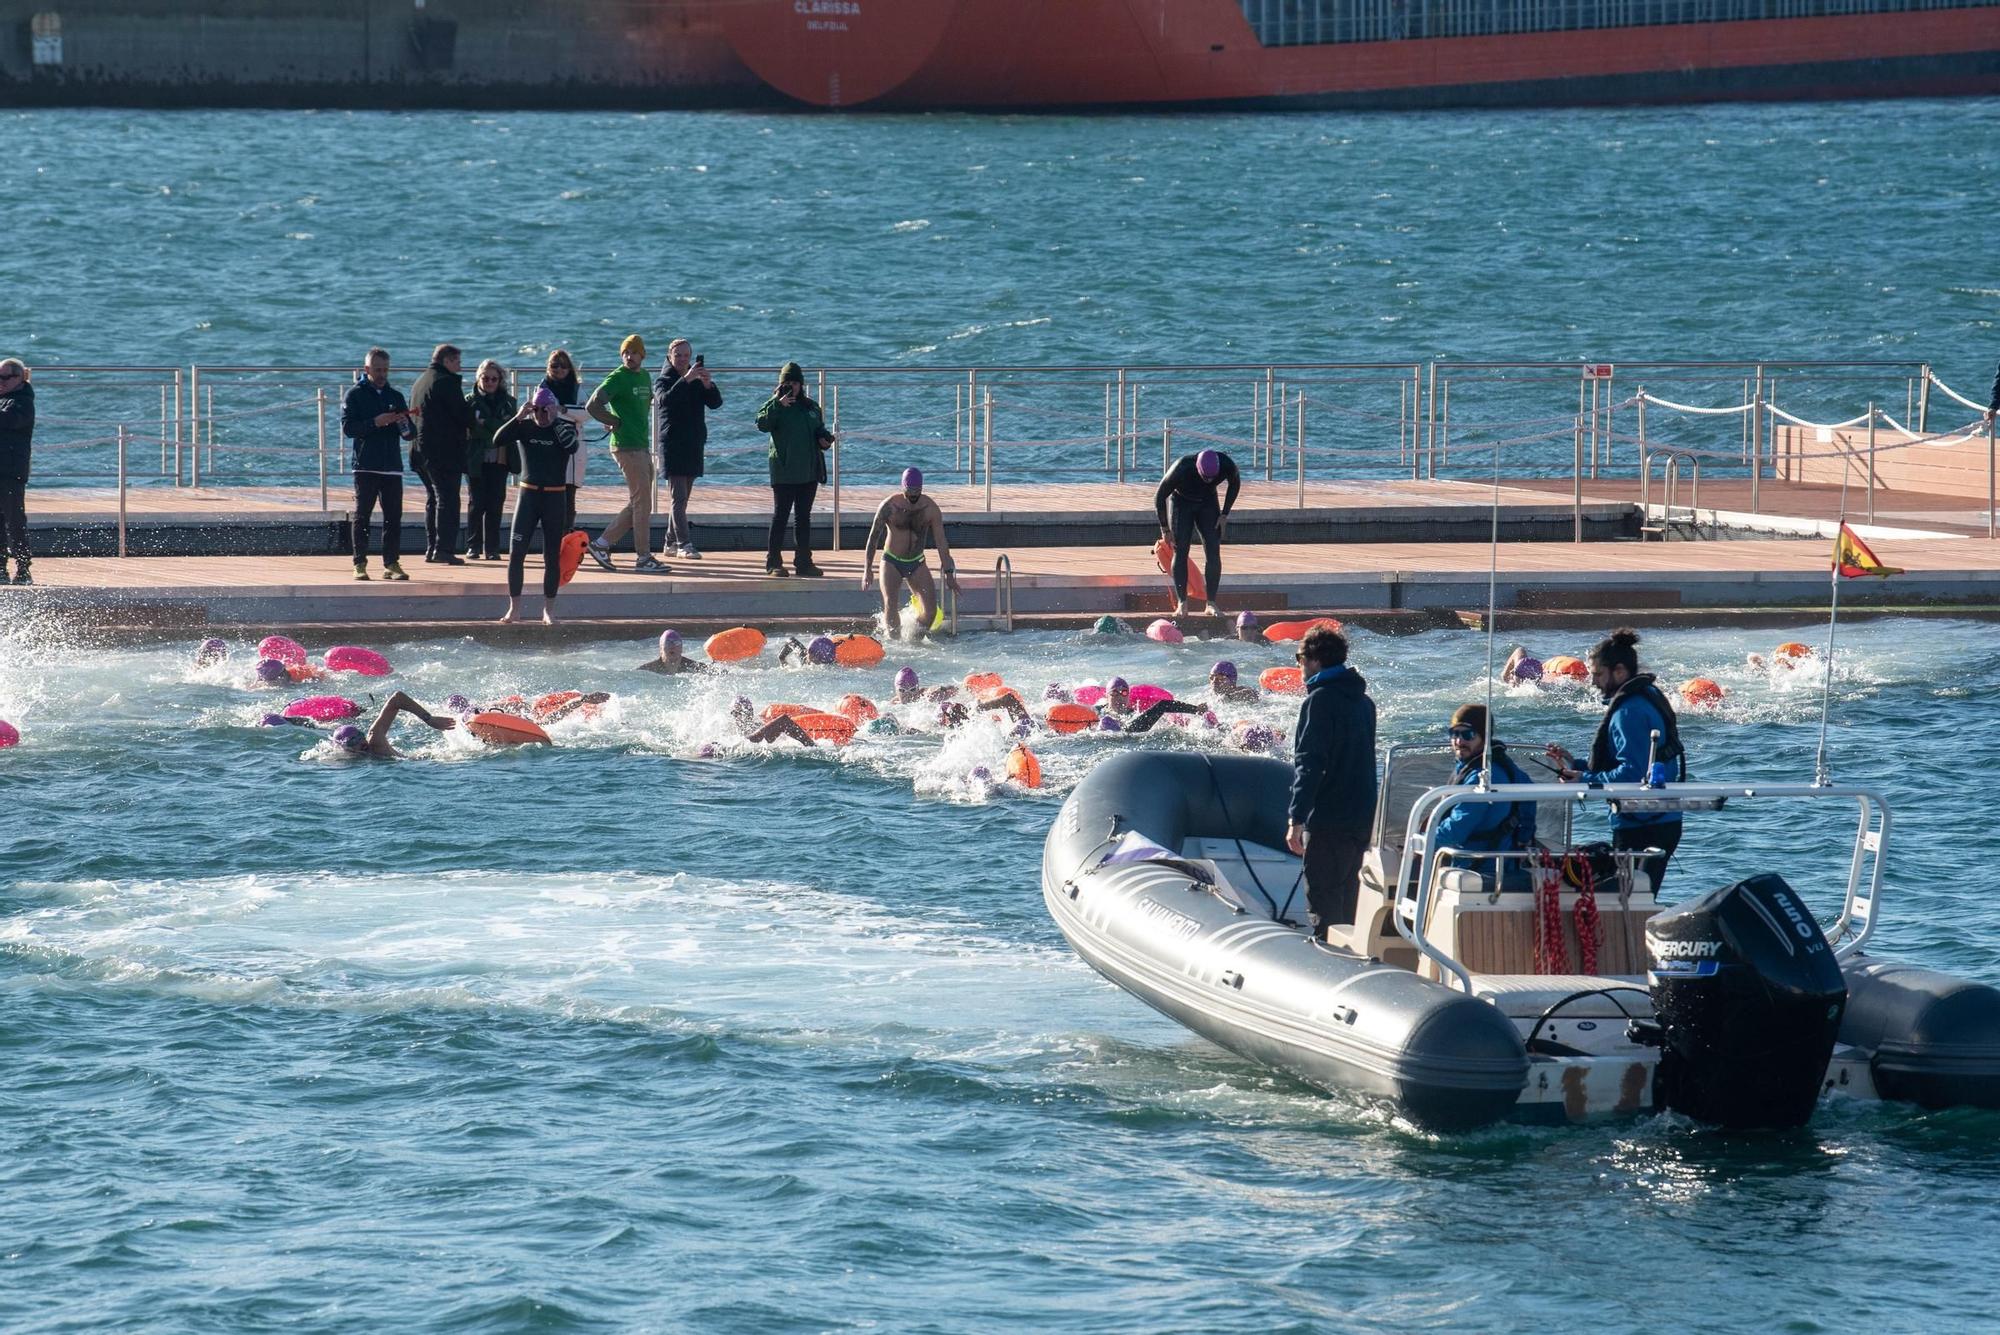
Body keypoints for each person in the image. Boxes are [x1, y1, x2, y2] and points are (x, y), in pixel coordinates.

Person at [1546, 627, 1686, 893]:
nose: (1593, 682)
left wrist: (1585, 778)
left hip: (1643, 825)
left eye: (1598, 674)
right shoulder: (1649, 694)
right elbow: (1636, 761)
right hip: (1663, 819)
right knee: (1638, 899)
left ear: (1619, 672)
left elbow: (1633, 774)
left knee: (1628, 902)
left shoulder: (1629, 712)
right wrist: (1575, 764)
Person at [1285, 626, 1378, 937]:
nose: (1298, 666)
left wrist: (1297, 818)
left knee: (1323, 897)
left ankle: (1330, 959)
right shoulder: (1365, 703)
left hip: (1329, 818)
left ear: (1314, 660)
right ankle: (1354, 956)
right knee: (1350, 896)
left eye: (1299, 658)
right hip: (1363, 817)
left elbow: (1310, 763)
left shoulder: (1319, 702)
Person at [492, 387, 580, 625]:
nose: (540, 415)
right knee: (516, 554)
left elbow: (573, 448)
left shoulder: (564, 428)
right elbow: (497, 439)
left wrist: (557, 420)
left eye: (545, 410)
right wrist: (519, 416)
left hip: (554, 497)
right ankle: (514, 609)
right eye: (537, 410)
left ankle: (548, 610)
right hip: (528, 496)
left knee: (551, 556)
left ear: (552, 408)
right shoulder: (525, 427)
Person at [1429, 704, 1538, 887]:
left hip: (1476, 866)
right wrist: (1522, 839)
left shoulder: (1482, 777)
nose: (1459, 741)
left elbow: (1457, 828)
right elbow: (1529, 801)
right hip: (1506, 864)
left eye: (1467, 735)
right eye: (1454, 733)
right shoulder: (1506, 767)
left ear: (1484, 737)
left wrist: (1425, 840)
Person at [585, 335, 668, 573]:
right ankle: (643, 558)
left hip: (641, 444)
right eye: (625, 353)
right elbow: (593, 405)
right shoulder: (617, 377)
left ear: (643, 355)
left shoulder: (644, 376)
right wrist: (612, 421)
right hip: (625, 446)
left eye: (634, 352)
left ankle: (601, 544)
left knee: (639, 502)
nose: (630, 357)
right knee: (642, 503)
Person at [340, 347, 413, 582]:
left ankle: (391, 562)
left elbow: (410, 434)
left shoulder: (396, 396)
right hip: (365, 464)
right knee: (363, 516)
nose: (382, 374)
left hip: (391, 464)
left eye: (385, 370)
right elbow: (348, 429)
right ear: (367, 369)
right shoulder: (354, 395)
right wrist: (375, 422)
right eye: (378, 370)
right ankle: (359, 563)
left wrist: (404, 423)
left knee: (394, 516)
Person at [862, 468, 959, 641]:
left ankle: (913, 640)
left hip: (916, 562)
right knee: (891, 604)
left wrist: (949, 574)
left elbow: (941, 542)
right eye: (910, 492)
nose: (914, 496)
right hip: (891, 561)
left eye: (917, 492)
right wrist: (867, 569)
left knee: (930, 612)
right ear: (903, 487)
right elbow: (873, 538)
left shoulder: (930, 508)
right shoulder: (889, 506)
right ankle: (895, 643)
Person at [755, 362, 832, 578]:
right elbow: (762, 423)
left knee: (803, 517)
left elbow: (819, 429)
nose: (791, 387)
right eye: (787, 383)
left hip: (808, 471)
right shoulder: (773, 405)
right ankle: (773, 562)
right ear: (780, 385)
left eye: (795, 383)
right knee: (780, 516)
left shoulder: (811, 407)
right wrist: (778, 404)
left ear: (801, 384)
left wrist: (825, 440)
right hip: (784, 470)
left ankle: (804, 562)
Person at [1154, 447, 1241, 617]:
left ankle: (1211, 603)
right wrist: (1164, 528)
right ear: (1198, 468)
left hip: (1208, 503)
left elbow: (1235, 483)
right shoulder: (1182, 468)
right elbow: (1159, 497)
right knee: (1180, 551)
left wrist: (1224, 514)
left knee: (1213, 551)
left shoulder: (1226, 465)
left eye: (1212, 478)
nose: (1209, 480)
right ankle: (1182, 603)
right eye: (1205, 477)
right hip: (1182, 503)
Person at [409, 343, 473, 564]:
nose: (460, 365)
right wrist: (474, 417)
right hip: (442, 452)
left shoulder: (421, 381)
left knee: (433, 499)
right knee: (447, 499)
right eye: (457, 361)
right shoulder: (446, 382)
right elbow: (462, 415)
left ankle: (431, 548)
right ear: (446, 361)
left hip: (420, 450)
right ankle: (443, 549)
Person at [656, 338, 721, 559]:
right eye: (678, 356)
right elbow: (665, 401)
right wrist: (686, 379)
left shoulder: (696, 378)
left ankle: (669, 542)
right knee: (679, 497)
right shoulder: (663, 379)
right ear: (670, 356)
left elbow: (715, 403)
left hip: (693, 444)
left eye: (686, 356)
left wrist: (707, 384)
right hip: (673, 444)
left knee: (683, 498)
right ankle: (684, 543)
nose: (683, 360)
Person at [464, 359, 517, 562]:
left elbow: (509, 428)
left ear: (500, 380)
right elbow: (471, 429)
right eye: (485, 378)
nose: (490, 382)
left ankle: (493, 548)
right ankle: (473, 545)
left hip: (500, 459)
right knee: (476, 503)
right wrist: (494, 426)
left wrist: (485, 423)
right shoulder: (469, 401)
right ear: (478, 378)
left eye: (494, 379)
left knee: (496, 503)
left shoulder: (509, 402)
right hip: (476, 458)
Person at [539, 349, 597, 533]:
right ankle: (552, 535)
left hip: (574, 447)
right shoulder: (542, 389)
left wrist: (563, 410)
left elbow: (588, 413)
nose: (559, 370)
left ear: (570, 368)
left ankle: (567, 534)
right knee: (551, 493)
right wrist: (572, 414)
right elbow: (543, 415)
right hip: (550, 446)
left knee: (569, 493)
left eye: (564, 366)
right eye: (554, 366)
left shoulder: (577, 389)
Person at [332, 691, 456, 759]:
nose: (361, 742)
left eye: (360, 736)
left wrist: (429, 719)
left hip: (423, 763)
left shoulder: (375, 741)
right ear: (343, 747)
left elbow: (397, 698)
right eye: (353, 741)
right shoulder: (343, 759)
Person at [0, 358, 33, 585]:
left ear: (18, 378)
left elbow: (11, 420)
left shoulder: (23, 402)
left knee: (14, 521)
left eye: (4, 378)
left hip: (11, 472)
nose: (0, 382)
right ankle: (1, 568)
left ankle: (23, 568)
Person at [637, 628, 707, 675]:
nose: (672, 647)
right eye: (667, 643)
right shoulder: (647, 670)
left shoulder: (696, 668)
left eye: (676, 643)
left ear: (681, 648)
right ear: (661, 649)